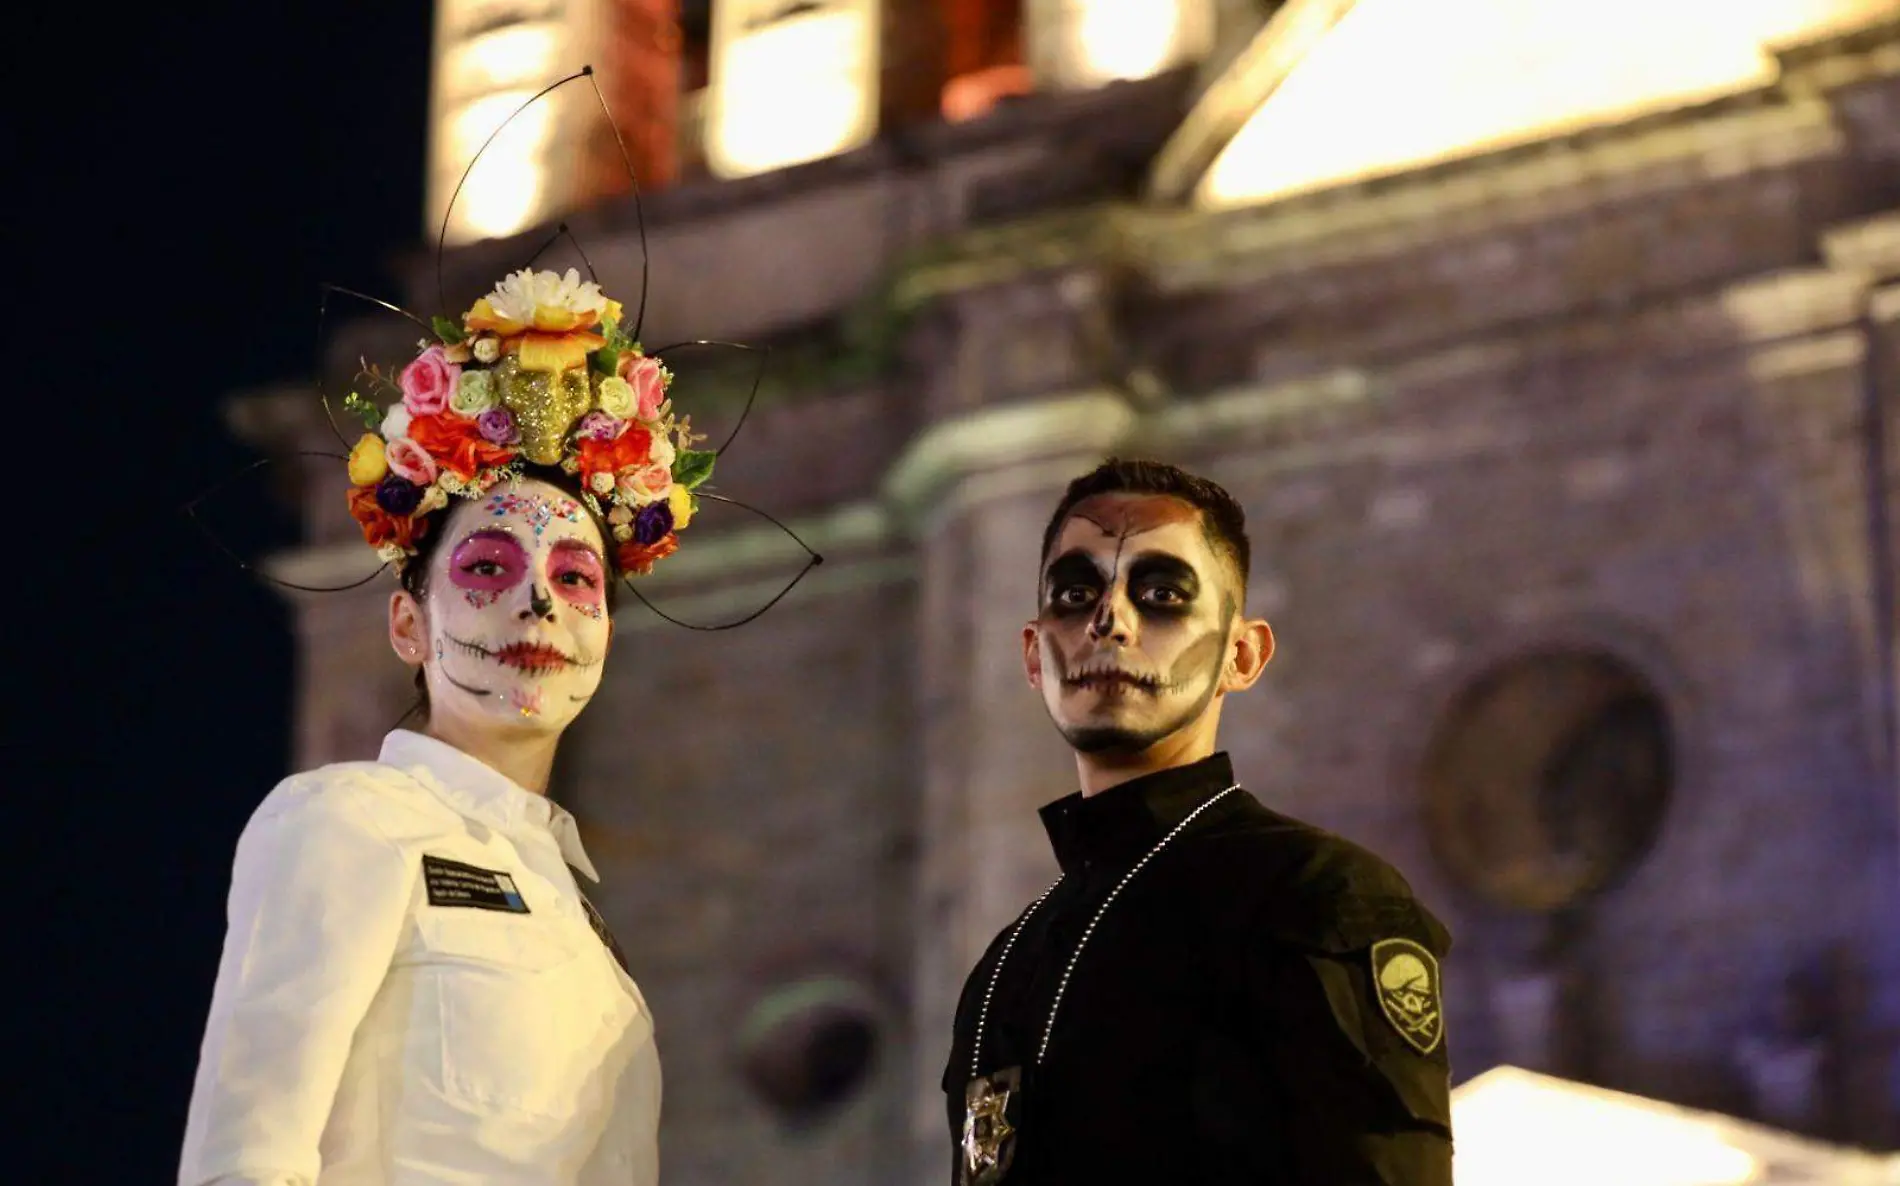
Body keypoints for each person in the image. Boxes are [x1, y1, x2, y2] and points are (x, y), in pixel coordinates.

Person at [179, 267, 717, 1186]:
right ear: (408, 624)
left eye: (576, 578)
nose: (536, 603)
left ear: (606, 633)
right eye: (487, 567)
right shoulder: (349, 820)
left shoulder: (586, 934)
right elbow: (245, 1160)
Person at [941, 458, 1455, 1185]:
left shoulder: (1318, 897)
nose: (1108, 620)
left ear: (1241, 655)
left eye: (1159, 594)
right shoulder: (1007, 962)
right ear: (1033, 654)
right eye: (1075, 592)